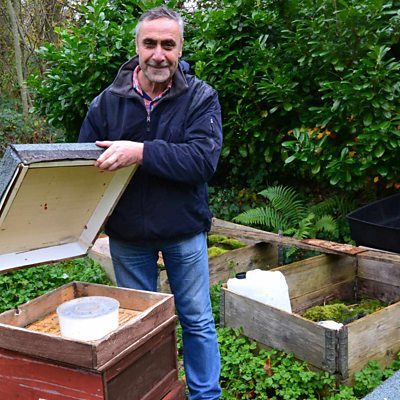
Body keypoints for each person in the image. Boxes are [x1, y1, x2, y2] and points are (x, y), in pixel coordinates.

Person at [79, 6, 222, 400]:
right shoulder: (106, 103)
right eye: (150, 44)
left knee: (196, 320)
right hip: (128, 234)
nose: (159, 54)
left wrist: (140, 152)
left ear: (180, 49)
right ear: (137, 47)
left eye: (168, 45)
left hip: (184, 230)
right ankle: (153, 393)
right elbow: (83, 165)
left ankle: (205, 396)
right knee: (140, 325)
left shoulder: (200, 98)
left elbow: (202, 161)